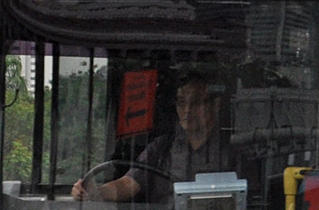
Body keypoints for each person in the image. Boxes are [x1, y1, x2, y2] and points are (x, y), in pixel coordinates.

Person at [73, 76, 228, 203]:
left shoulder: (232, 149)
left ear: (216, 104)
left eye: (196, 102)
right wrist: (95, 192)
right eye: (182, 102)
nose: (187, 110)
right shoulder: (161, 147)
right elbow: (128, 184)